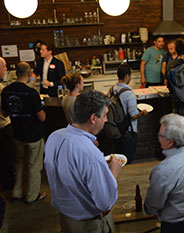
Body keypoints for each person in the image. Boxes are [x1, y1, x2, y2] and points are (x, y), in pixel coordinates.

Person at [44, 90, 123, 233]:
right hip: (89, 225)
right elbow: (105, 202)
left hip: (66, 218)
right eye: (104, 115)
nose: (106, 120)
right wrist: (113, 172)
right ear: (93, 118)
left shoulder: (54, 137)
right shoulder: (90, 154)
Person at [1, 62, 46, 204]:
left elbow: (4, 112)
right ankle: (32, 195)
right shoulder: (31, 93)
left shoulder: (6, 91)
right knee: (34, 166)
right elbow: (41, 117)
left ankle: (17, 192)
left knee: (20, 163)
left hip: (17, 133)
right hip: (33, 135)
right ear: (28, 74)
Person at [111, 64, 147, 164]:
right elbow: (133, 115)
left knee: (118, 160)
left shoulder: (113, 89)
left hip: (117, 129)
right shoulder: (129, 94)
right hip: (128, 131)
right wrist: (142, 113)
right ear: (127, 76)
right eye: (130, 76)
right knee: (127, 160)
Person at [0, 57, 16, 190]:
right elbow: (5, 112)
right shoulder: (1, 89)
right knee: (7, 157)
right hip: (3, 127)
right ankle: (9, 186)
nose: (6, 69)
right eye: (4, 66)